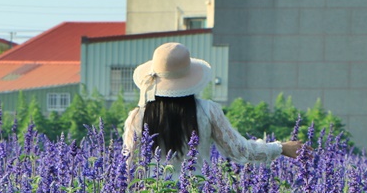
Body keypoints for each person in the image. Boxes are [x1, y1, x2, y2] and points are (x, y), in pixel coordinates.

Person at [121, 42, 306, 174]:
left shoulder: (138, 115)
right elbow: (240, 151)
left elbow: (127, 165)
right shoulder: (207, 111)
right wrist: (280, 147)